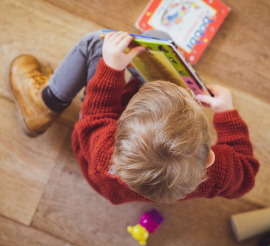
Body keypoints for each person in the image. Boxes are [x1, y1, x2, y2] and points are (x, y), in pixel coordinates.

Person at [9, 30, 260, 204]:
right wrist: (226, 113)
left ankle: (43, 104)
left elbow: (98, 113)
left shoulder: (104, 152)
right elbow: (246, 174)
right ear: (209, 159)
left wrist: (111, 68)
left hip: (93, 137)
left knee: (95, 43)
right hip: (138, 185)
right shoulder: (217, 172)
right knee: (158, 39)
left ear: (120, 130)